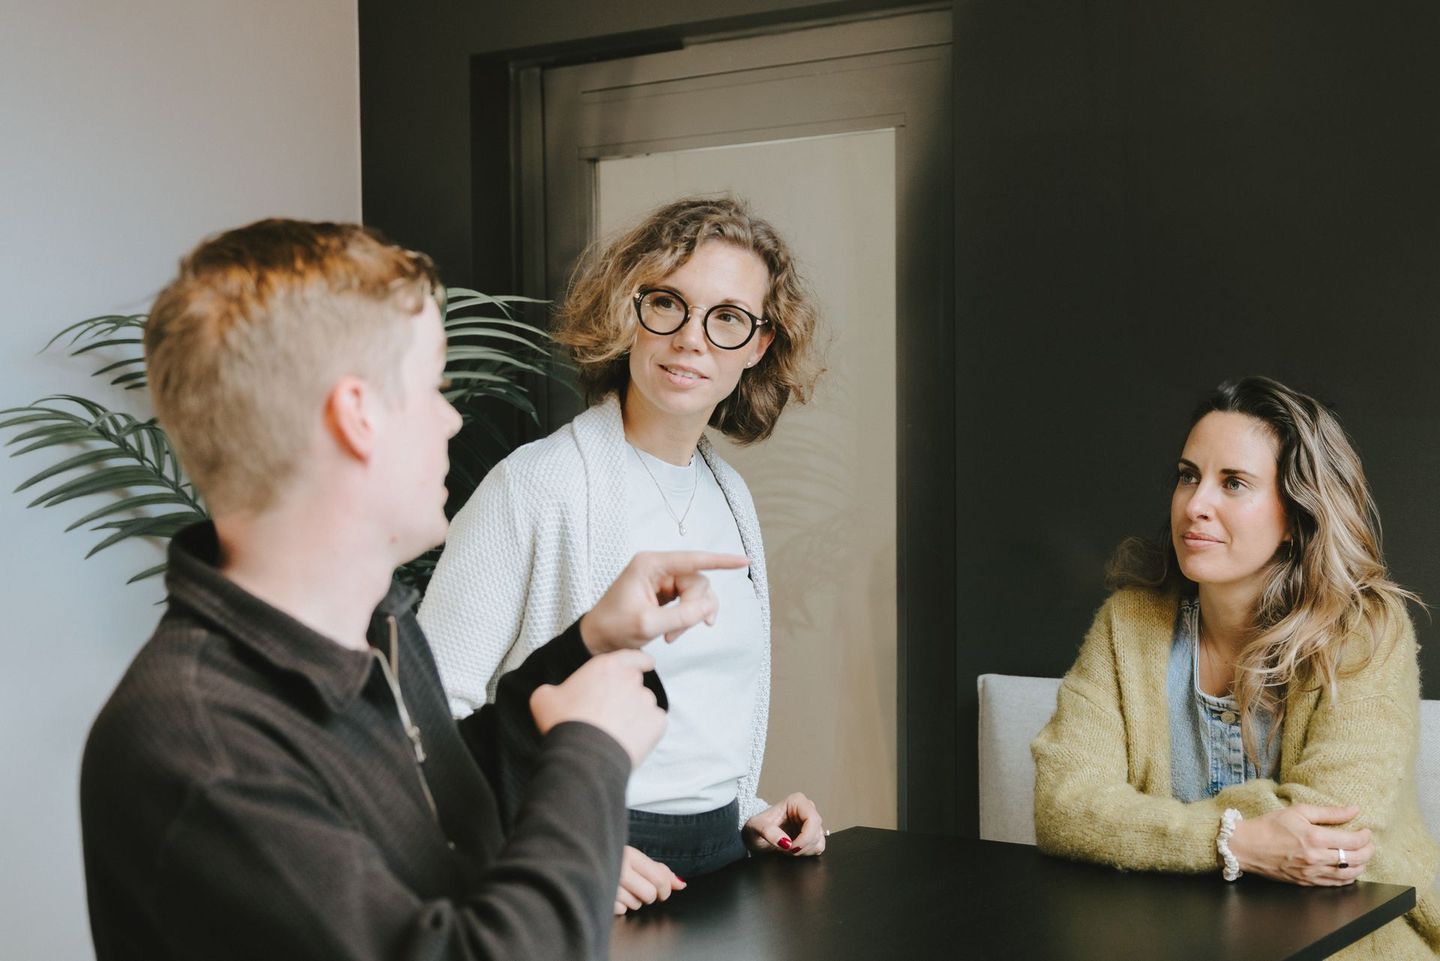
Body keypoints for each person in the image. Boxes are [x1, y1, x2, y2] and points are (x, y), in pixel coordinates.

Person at [79, 218, 750, 961]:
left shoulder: (380, 630)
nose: (452, 416)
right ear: (357, 417)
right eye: (432, 386)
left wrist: (586, 644)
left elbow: (448, 806)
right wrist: (589, 755)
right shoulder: (201, 744)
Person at [420, 196, 827, 914]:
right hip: (584, 869)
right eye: (667, 303)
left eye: (727, 317)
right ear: (627, 310)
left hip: (723, 864)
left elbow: (705, 713)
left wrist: (749, 812)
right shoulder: (534, 484)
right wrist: (553, 846)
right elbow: (425, 718)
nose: (692, 339)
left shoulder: (730, 495)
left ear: (758, 345)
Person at [1032, 376, 1440, 957]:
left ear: (1297, 513)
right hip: (1169, 937)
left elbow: (1333, 838)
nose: (1195, 505)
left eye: (1234, 483)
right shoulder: (1129, 624)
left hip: (1350, 942)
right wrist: (1237, 841)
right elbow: (1064, 806)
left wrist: (1139, 828)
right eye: (1188, 476)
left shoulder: (1362, 630)